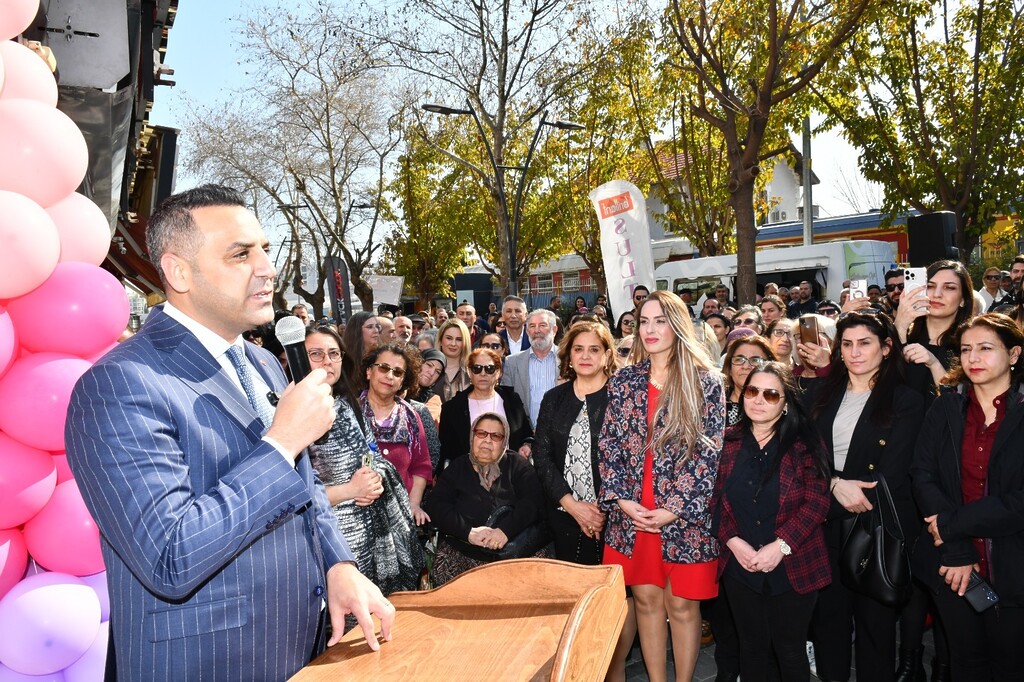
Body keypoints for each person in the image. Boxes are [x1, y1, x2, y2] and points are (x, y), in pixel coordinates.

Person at [65, 185, 393, 680]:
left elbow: (304, 492)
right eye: (241, 254)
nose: (266, 267)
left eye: (264, 248)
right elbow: (169, 557)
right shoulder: (117, 385)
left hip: (303, 649)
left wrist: (337, 564)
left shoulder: (262, 362)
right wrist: (281, 444)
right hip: (205, 664)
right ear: (179, 272)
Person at [599, 290, 726, 682]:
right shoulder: (624, 380)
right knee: (646, 601)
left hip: (684, 516)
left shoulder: (706, 382)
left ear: (678, 325)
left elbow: (710, 454)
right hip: (632, 514)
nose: (651, 329)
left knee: (684, 607)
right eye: (644, 321)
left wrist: (675, 508)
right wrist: (621, 500)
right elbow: (609, 443)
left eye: (661, 320)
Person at [807, 310, 924, 682]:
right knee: (829, 628)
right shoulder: (820, 394)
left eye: (865, 343)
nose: (855, 352)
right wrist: (834, 483)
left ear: (887, 347)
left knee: (876, 632)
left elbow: (892, 471)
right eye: (847, 344)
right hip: (823, 526)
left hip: (875, 529)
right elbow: (802, 458)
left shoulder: (904, 399)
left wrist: (839, 485)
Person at [912, 313, 1024, 681]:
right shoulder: (946, 406)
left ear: (1014, 354)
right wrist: (956, 549)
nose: (974, 357)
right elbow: (923, 475)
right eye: (966, 350)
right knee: (966, 664)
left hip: (1013, 567)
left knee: (1011, 666)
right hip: (952, 566)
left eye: (986, 348)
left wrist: (949, 524)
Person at [532, 320, 638, 682]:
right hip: (564, 516)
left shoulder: (621, 397)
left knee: (617, 598)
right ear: (568, 355)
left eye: (594, 349)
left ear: (608, 354)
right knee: (574, 598)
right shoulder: (554, 399)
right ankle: (578, 668)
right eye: (579, 349)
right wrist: (573, 505)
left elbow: (630, 457)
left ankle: (614, 668)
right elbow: (542, 458)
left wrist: (604, 510)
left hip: (615, 518)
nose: (586, 355)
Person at [714, 362, 832, 682]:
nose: (759, 400)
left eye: (770, 394)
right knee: (751, 648)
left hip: (794, 564)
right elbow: (713, 500)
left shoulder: (804, 442)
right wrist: (733, 542)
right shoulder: (727, 441)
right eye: (752, 391)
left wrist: (780, 545)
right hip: (740, 565)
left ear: (785, 403)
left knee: (790, 650)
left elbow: (818, 501)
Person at [305, 326, 423, 595]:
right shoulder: (289, 412)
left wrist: (375, 479)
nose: (327, 361)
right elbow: (290, 495)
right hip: (326, 546)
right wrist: (349, 490)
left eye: (334, 353)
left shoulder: (347, 406)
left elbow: (371, 453)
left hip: (369, 540)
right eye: (316, 354)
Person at [424, 412, 549, 586]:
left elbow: (532, 503)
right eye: (481, 433)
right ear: (472, 436)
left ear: (504, 441)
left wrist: (504, 531)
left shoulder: (519, 466)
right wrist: (468, 532)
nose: (487, 441)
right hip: (463, 553)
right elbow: (436, 505)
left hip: (515, 553)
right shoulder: (457, 468)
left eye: (496, 436)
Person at [359, 343, 433, 526]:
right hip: (357, 514)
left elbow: (421, 466)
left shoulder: (411, 418)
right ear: (369, 372)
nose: (389, 376)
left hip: (400, 516)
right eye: (383, 368)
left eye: (398, 372)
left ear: (402, 382)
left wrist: (414, 504)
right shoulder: (349, 413)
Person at [438, 347, 533, 470]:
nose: (483, 373)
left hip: (510, 476)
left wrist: (526, 445)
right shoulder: (452, 408)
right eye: (477, 369)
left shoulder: (512, 401)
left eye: (489, 369)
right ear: (469, 372)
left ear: (498, 372)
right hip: (467, 478)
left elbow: (526, 435)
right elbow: (446, 452)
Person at [896, 260, 973, 399]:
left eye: (949, 287)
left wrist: (934, 364)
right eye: (930, 286)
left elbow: (959, 404)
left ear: (963, 299)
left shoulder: (969, 346)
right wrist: (899, 326)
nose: (937, 294)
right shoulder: (904, 336)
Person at [501, 309, 560, 428]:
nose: (537, 330)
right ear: (527, 331)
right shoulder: (512, 362)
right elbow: (507, 405)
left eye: (542, 325)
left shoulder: (569, 359)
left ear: (554, 330)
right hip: (526, 437)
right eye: (532, 326)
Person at [722, 335, 777, 426]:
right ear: (730, 369)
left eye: (755, 360)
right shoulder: (714, 402)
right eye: (739, 359)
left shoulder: (778, 403)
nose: (746, 366)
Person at [434, 318, 472, 402]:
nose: (453, 344)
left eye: (459, 339)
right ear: (440, 340)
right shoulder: (429, 369)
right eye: (449, 338)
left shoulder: (472, 371)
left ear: (465, 343)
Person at [408, 348, 445, 424]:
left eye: (437, 372)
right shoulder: (400, 388)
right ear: (418, 363)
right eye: (429, 365)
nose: (431, 373)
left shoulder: (434, 400)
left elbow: (421, 422)